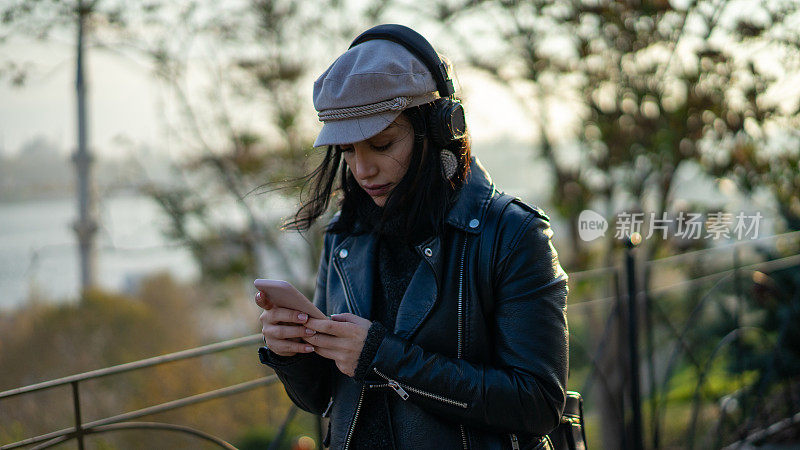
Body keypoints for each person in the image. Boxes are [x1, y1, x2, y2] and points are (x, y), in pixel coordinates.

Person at [255, 24, 569, 450]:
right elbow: (323, 398)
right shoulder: (346, 237)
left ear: (440, 128)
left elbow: (537, 403)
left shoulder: (513, 235)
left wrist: (384, 358)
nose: (362, 169)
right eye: (348, 150)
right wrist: (290, 353)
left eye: (382, 145)